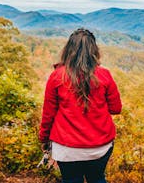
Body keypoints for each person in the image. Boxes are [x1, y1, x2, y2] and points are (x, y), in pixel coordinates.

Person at [39, 28, 122, 183]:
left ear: (68, 50)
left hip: (66, 148)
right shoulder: (104, 75)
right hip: (100, 146)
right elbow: (116, 108)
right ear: (94, 50)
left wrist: (44, 138)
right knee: (97, 178)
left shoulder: (57, 76)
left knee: (71, 179)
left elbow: (48, 114)